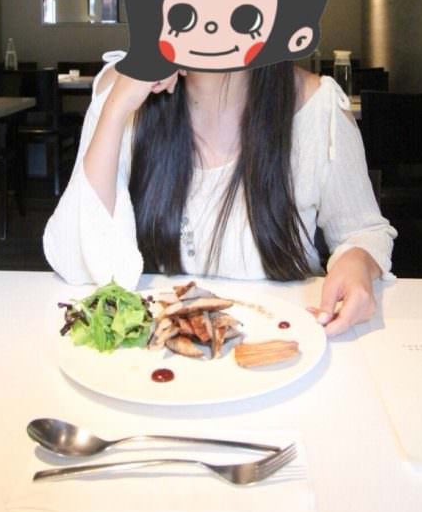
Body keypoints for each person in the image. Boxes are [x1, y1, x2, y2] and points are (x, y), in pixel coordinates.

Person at [43, 52, 395, 336]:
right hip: (154, 359)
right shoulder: (124, 89)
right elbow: (75, 261)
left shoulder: (318, 105)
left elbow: (362, 232)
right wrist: (115, 110)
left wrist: (357, 262)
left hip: (281, 346)